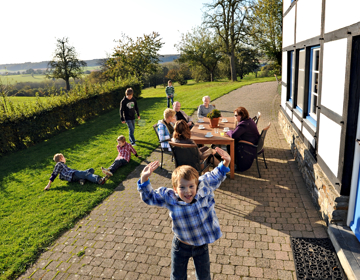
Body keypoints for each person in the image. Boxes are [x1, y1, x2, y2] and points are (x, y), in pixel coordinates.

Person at [137, 147, 231, 280]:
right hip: (181, 246)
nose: (187, 191)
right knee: (177, 277)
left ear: (197, 185)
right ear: (175, 189)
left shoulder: (204, 186)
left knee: (204, 277)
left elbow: (216, 175)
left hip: (201, 245)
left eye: (191, 186)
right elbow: (150, 198)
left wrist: (226, 162)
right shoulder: (170, 198)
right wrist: (144, 178)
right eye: (182, 187)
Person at [226, 106, 260, 172]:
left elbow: (233, 135)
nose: (234, 117)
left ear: (241, 115)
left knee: (230, 145)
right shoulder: (248, 120)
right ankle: (233, 161)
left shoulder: (244, 124)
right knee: (232, 143)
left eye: (236, 115)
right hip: (253, 141)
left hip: (250, 145)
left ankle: (234, 164)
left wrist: (228, 131)